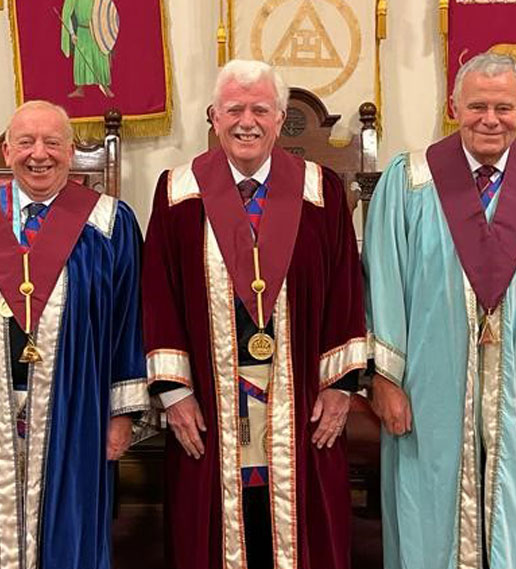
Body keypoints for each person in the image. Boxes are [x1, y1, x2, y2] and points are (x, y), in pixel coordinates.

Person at [363, 53, 516, 569]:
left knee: (512, 509)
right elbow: (379, 281)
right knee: (426, 502)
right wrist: (384, 382)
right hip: (427, 388)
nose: (490, 119)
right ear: (453, 106)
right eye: (477, 106)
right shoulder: (409, 183)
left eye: (503, 106)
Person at [143, 59, 368, 569]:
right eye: (235, 109)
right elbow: (158, 295)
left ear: (280, 117)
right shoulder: (178, 192)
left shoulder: (321, 191)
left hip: (300, 396)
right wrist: (175, 394)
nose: (247, 121)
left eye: (260, 109)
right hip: (210, 396)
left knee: (301, 524)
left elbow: (344, 291)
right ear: (213, 117)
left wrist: (339, 386)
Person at [0, 100, 148, 569]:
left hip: (80, 409)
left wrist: (121, 416)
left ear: (70, 152)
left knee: (71, 527)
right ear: (7, 151)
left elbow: (129, 322)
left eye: (52, 142)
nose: (39, 154)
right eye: (26, 142)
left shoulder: (110, 224)